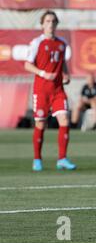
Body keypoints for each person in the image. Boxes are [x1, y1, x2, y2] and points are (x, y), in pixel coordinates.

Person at [24, 10, 76, 171]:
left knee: (65, 120)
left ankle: (62, 158)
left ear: (56, 24)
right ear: (42, 24)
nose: (51, 24)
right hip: (41, 91)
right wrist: (42, 73)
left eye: (53, 21)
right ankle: (37, 159)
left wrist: (65, 74)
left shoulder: (61, 43)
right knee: (41, 123)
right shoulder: (37, 43)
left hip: (58, 90)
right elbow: (27, 64)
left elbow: (62, 64)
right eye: (47, 21)